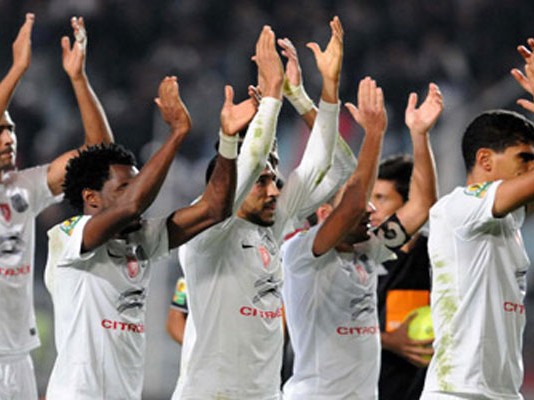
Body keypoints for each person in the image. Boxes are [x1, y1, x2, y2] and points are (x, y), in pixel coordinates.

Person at [44, 74, 256, 398]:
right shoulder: (68, 237)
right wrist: (177, 133)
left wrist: (228, 142)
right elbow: (131, 206)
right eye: (124, 187)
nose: (137, 194)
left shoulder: (140, 240)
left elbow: (215, 210)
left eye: (137, 184)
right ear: (92, 198)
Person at [172, 18, 343, 399]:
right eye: (262, 181)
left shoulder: (273, 225)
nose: (273, 190)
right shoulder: (205, 232)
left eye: (274, 179)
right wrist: (270, 99)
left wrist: (321, 91)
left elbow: (335, 167)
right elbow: (244, 170)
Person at [281, 78, 442, 399]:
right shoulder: (301, 253)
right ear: (325, 213)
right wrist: (374, 134)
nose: (371, 209)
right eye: (366, 200)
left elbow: (422, 205)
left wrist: (419, 135)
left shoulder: (368, 251)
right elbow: (354, 204)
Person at [0, 14, 114, 399]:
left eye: (11, 129)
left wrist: (79, 80)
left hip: (17, 355)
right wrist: (18, 70)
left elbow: (99, 155)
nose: (8, 138)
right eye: (0, 130)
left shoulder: (24, 188)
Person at [421, 39, 534, 400]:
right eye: (524, 159)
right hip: (457, 393)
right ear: (485, 160)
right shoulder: (459, 209)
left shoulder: (511, 221)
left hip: (502, 393)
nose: (531, 169)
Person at [375, 156, 434, 400]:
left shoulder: (438, 255)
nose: (371, 207)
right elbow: (332, 325)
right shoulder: (362, 256)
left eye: (381, 198)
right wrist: (388, 340)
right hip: (371, 389)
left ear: (409, 204)